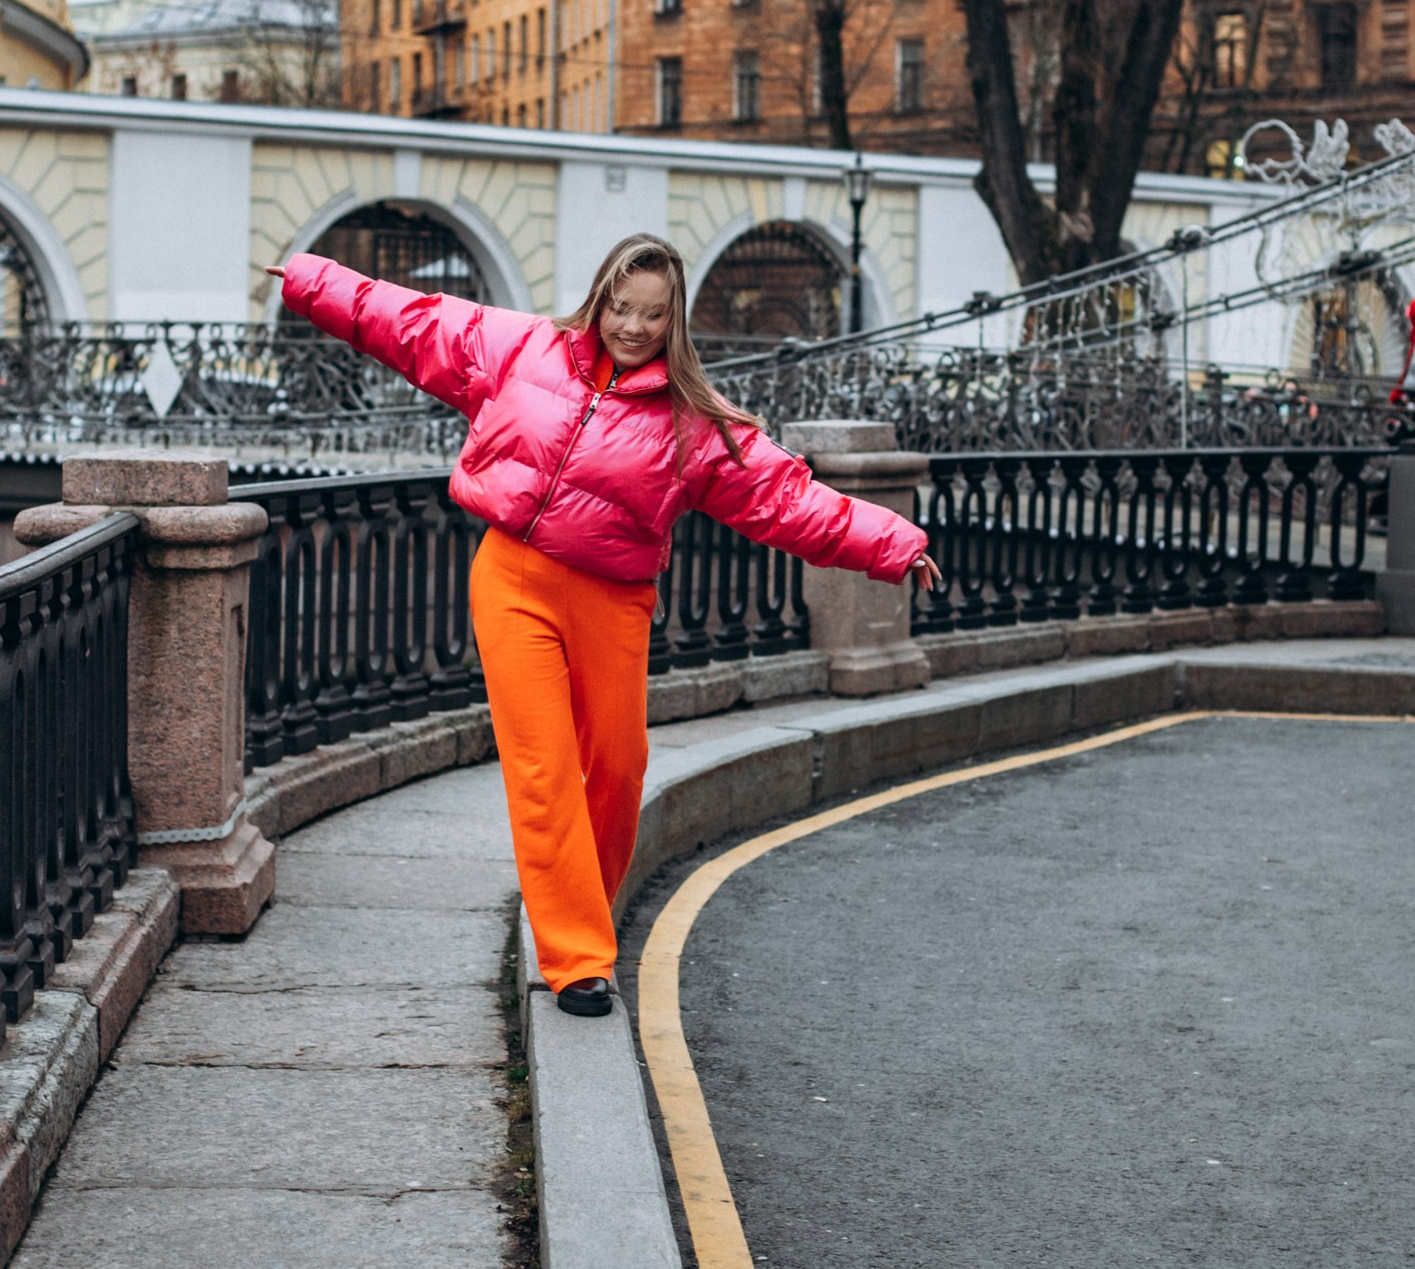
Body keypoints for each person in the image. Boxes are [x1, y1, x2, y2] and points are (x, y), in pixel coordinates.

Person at [271, 234, 941, 1016]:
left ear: (674, 321)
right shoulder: (524, 348)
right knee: (543, 768)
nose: (632, 326)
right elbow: (412, 321)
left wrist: (894, 544)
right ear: (600, 296)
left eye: (652, 315)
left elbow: (784, 500)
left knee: (618, 771)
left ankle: (581, 907)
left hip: (612, 599)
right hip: (512, 577)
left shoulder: (692, 422)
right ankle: (578, 957)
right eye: (622, 307)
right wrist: (310, 278)